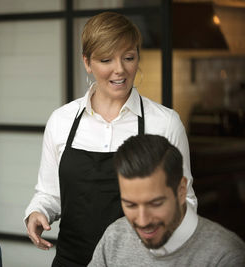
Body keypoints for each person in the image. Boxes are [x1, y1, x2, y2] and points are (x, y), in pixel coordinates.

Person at [24, 11, 198, 266]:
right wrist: (37, 212)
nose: (120, 69)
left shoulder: (164, 123)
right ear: (87, 62)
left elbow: (186, 201)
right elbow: (49, 193)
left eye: (129, 57)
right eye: (106, 59)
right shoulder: (61, 121)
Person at [89, 134, 245, 266]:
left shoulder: (226, 256)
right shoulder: (114, 237)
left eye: (155, 204)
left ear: (182, 190)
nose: (143, 221)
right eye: (131, 205)